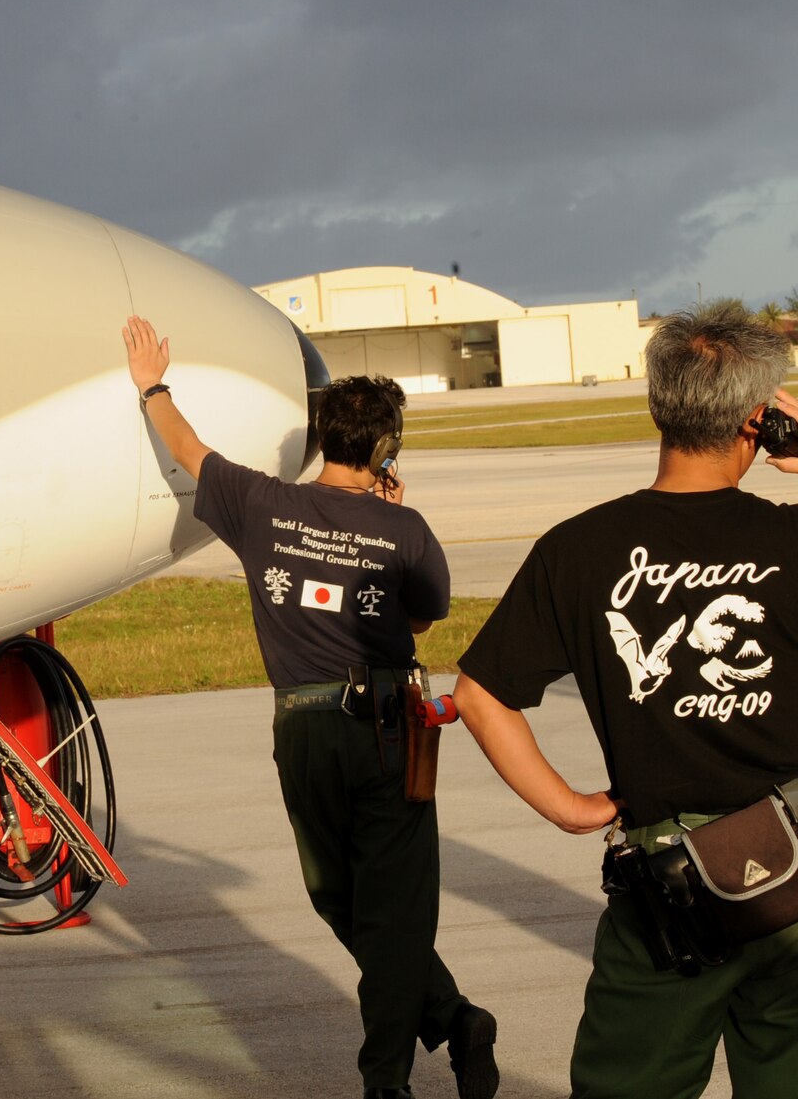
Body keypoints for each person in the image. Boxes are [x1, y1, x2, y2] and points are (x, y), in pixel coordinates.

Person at [453, 302, 798, 1099]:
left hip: (668, 880)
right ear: (759, 421)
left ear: (659, 404)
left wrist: (570, 806)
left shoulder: (578, 548)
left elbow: (480, 695)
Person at [121, 315, 498, 1099]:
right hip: (385, 731)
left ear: (322, 439)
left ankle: (393, 1072)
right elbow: (422, 620)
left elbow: (190, 450)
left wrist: (153, 384)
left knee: (340, 896)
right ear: (386, 451)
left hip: (302, 726)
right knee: (378, 909)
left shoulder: (261, 504)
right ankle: (450, 1025)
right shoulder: (405, 528)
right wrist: (393, 520)